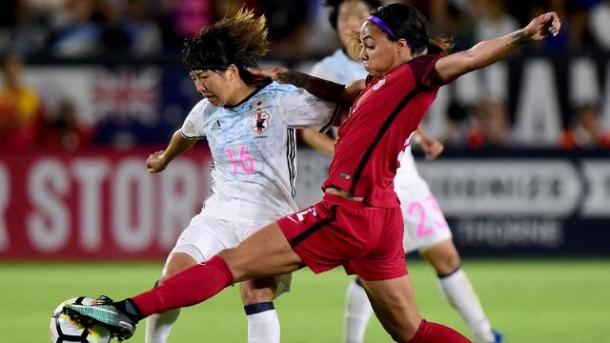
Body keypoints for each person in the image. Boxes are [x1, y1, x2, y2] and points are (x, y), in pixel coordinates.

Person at [63, 4, 560, 342]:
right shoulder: (373, 84)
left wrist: (522, 35)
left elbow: (469, 59)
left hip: (346, 213)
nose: (361, 50)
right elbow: (341, 100)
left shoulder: (418, 72)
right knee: (410, 331)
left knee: (232, 264)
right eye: (359, 41)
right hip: (382, 216)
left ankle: (124, 312)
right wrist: (292, 77)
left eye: (370, 42)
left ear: (405, 46)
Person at [301, 1, 502, 342]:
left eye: (359, 15)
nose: (352, 22)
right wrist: (350, 153)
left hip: (404, 176)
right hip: (368, 182)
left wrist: (421, 136)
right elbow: (310, 128)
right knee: (370, 273)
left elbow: (400, 104)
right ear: (335, 24)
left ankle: (485, 334)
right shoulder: (329, 68)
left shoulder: (395, 64)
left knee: (444, 254)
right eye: (345, 16)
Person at [137, 9, 336, 343]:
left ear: (230, 71)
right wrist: (165, 160)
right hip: (220, 214)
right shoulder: (206, 110)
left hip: (269, 219)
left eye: (205, 77)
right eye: (195, 78)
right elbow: (184, 134)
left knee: (257, 293)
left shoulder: (279, 100)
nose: (200, 87)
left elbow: (340, 106)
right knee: (171, 283)